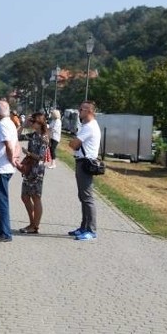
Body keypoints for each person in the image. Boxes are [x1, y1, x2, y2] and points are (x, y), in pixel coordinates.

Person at [69, 101, 102, 240]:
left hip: (86, 163)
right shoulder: (87, 126)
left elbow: (74, 144)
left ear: (88, 111)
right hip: (82, 161)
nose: (79, 111)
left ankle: (91, 229)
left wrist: (74, 142)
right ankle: (84, 226)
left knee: (87, 197)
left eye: (81, 109)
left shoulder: (89, 127)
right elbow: (75, 144)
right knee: (83, 196)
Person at [0, 100, 20, 242]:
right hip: (2, 166)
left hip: (2, 167)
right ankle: (0, 230)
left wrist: (11, 159)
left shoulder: (3, 125)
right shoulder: (8, 123)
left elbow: (9, 145)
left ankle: (5, 232)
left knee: (1, 200)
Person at [19, 112, 50, 234]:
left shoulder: (44, 137)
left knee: (36, 197)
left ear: (40, 123)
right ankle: (32, 223)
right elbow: (17, 136)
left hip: (37, 170)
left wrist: (28, 153)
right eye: (31, 121)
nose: (31, 123)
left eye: (33, 122)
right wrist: (24, 124)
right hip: (29, 169)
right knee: (25, 196)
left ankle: (35, 226)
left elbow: (42, 157)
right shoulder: (32, 134)